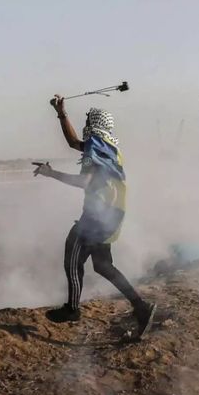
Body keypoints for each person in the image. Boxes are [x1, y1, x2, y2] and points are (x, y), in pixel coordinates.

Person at [33, 94, 156, 338]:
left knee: (72, 256)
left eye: (87, 120)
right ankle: (141, 307)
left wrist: (51, 173)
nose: (85, 124)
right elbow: (72, 142)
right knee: (102, 265)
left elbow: (84, 181)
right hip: (112, 215)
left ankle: (72, 309)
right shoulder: (108, 147)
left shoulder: (94, 146)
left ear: (94, 123)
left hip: (97, 218)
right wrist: (61, 113)